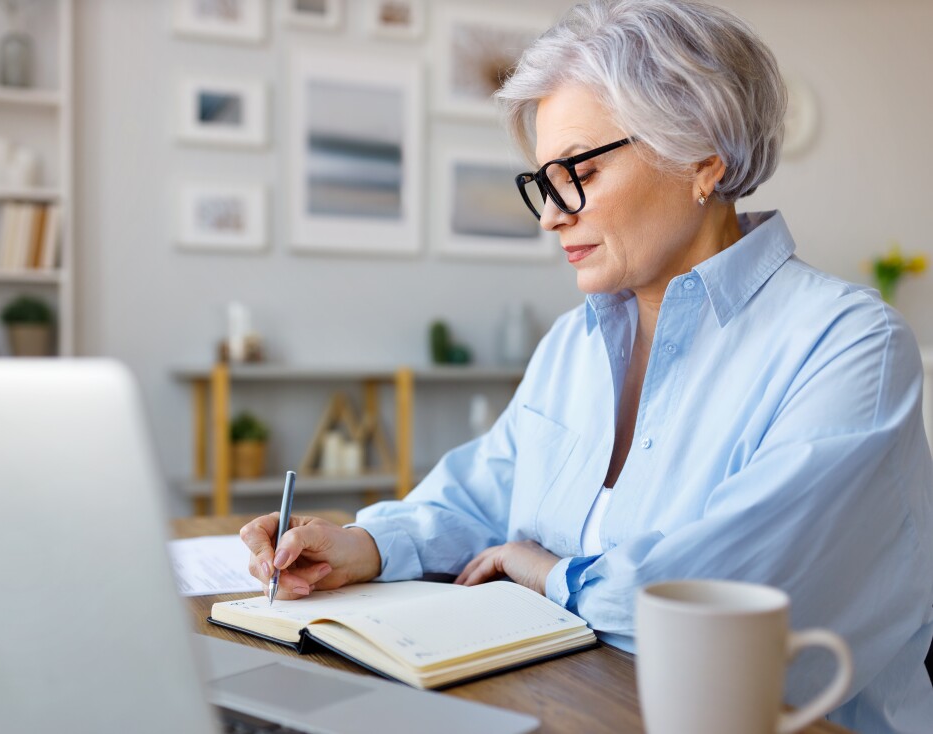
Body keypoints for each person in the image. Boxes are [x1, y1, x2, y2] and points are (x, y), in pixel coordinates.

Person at [240, 1, 933, 731]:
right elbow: (482, 496)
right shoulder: (575, 342)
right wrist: (362, 546)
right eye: (543, 181)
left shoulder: (852, 347)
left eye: (578, 171)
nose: (550, 215)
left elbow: (698, 603)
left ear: (703, 159)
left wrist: (543, 570)